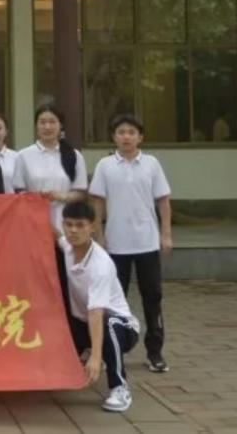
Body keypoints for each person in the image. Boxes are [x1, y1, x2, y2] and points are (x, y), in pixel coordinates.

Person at [89, 113, 173, 374]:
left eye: (131, 132)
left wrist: (166, 234)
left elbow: (163, 201)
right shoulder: (105, 165)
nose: (126, 137)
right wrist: (98, 235)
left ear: (140, 137)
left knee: (152, 297)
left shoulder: (151, 164)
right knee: (114, 300)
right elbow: (97, 203)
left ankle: (155, 352)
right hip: (116, 244)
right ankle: (110, 351)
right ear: (113, 137)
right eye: (121, 132)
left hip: (147, 242)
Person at [58, 202, 141, 413]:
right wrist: (31, 203)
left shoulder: (100, 264)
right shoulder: (67, 247)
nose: (73, 230)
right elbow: (52, 233)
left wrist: (96, 357)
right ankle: (88, 352)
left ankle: (119, 387)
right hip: (85, 323)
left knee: (109, 322)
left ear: (92, 227)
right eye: (68, 224)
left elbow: (96, 313)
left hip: (120, 327)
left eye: (80, 225)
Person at [12, 104, 88, 234]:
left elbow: (81, 193)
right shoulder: (23, 156)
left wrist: (62, 196)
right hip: (34, 223)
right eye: (42, 122)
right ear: (36, 126)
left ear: (60, 125)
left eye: (52, 122)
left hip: (67, 225)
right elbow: (18, 192)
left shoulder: (74, 155)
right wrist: (36, 198)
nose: (47, 127)